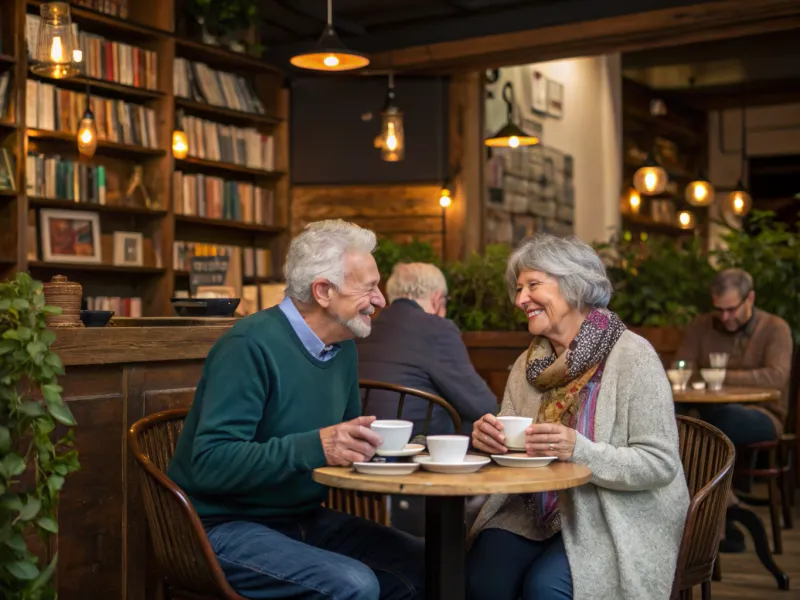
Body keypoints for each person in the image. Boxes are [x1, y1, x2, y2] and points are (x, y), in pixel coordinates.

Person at [167, 220, 425, 600]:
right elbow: (209, 461)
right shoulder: (248, 345)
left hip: (302, 518)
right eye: (369, 287)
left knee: (423, 563)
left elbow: (342, 446)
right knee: (353, 585)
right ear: (323, 291)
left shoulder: (343, 345)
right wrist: (317, 446)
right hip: (219, 526)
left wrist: (393, 451)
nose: (381, 299)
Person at [467, 234, 689, 600]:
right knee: (480, 580)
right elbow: (512, 445)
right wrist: (490, 442)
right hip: (532, 511)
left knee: (544, 589)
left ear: (574, 287)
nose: (521, 299)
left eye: (533, 285)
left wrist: (579, 450)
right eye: (519, 288)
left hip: (613, 513)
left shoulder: (633, 357)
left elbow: (660, 464)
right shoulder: (529, 363)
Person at [357, 262, 498, 436]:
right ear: (437, 299)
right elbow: (483, 405)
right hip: (419, 447)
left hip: (361, 441)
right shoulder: (438, 329)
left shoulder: (363, 328)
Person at [675, 268, 793, 445]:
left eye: (731, 309)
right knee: (669, 411)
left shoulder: (775, 328)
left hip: (762, 412)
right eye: (719, 309)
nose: (724, 317)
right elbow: (681, 367)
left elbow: (776, 377)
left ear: (750, 299)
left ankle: (706, 472)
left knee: (726, 419)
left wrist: (718, 377)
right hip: (703, 409)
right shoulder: (700, 326)